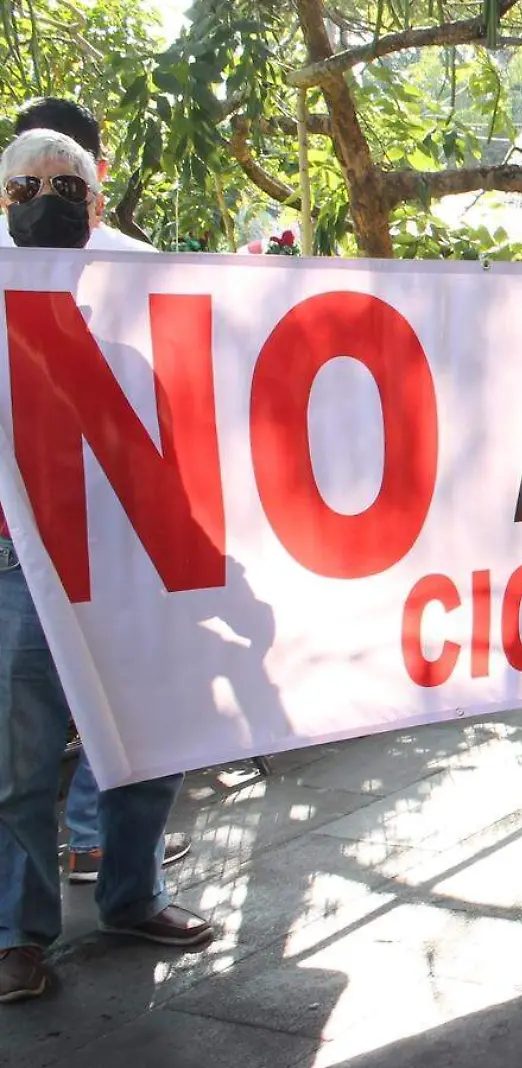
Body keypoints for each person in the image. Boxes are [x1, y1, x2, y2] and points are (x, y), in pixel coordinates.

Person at [0, 129, 215, 1006]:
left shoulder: (132, 319)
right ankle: (16, 936)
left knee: (148, 744)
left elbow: (169, 455)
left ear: (94, 207)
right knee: (19, 764)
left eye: (62, 185)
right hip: (19, 571)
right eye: (25, 187)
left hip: (129, 567)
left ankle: (133, 896)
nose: (43, 198)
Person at [0, 97, 151, 253]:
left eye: (66, 186)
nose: (45, 198)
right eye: (26, 187)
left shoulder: (140, 266)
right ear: (4, 201)